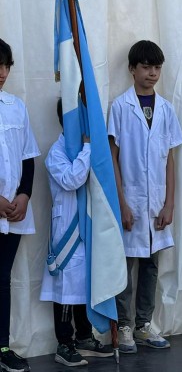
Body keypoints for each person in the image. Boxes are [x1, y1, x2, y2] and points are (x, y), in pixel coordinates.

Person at [109, 40, 182, 353]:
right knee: (124, 265)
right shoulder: (120, 107)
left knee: (151, 266)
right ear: (132, 69)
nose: (152, 73)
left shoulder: (166, 109)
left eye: (157, 67)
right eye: (146, 67)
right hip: (131, 203)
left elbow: (169, 158)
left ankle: (143, 324)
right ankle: (124, 325)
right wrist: (121, 204)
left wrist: (169, 203)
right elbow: (113, 158)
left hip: (156, 205)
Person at [39, 99, 115, 367]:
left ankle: (84, 337)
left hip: (89, 226)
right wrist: (86, 149)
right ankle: (64, 343)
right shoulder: (56, 152)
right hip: (67, 230)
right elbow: (72, 179)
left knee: (85, 284)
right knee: (66, 288)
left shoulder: (90, 148)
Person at [0, 38, 40, 372]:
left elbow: (28, 157)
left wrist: (24, 195)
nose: (2, 72)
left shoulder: (15, 106)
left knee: (2, 278)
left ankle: (2, 346)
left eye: (6, 65)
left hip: (12, 212)